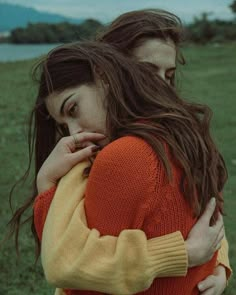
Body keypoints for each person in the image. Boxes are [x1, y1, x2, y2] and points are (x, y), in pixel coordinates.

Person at [32, 8, 231, 295]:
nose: (163, 87)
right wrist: (211, 262)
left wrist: (214, 262)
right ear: (110, 71)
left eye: (169, 75)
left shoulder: (130, 155)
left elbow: (71, 270)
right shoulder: (180, 134)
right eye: (148, 72)